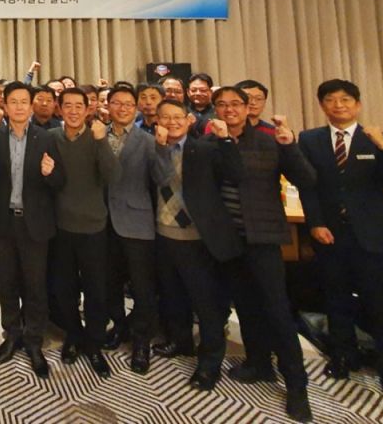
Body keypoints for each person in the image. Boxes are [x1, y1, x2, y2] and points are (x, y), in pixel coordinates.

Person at [298, 79, 383, 414]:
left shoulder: (380, 139)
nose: (339, 105)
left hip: (372, 236)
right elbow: (308, 187)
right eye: (331, 100)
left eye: (346, 99)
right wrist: (315, 223)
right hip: (330, 235)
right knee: (336, 299)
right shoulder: (310, 139)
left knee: (382, 306)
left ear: (358, 104)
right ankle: (342, 355)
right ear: (322, 105)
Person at [211, 86, 315, 421]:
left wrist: (291, 146)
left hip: (263, 237)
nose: (229, 109)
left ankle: (297, 385)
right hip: (229, 239)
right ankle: (258, 363)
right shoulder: (212, 141)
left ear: (247, 108)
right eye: (222, 104)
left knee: (277, 309)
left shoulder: (271, 140)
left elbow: (306, 179)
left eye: (235, 104)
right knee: (245, 305)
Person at [153, 100, 244, 391]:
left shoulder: (204, 148)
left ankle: (209, 363)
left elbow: (235, 173)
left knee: (206, 304)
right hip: (162, 234)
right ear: (157, 121)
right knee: (173, 295)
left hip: (197, 237)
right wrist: (160, 148)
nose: (172, 122)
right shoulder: (153, 149)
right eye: (165, 117)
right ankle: (181, 342)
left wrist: (226, 139)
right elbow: (154, 180)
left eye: (177, 117)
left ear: (189, 119)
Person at [0, 81, 65, 379]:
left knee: (35, 284)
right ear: (4, 105)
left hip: (35, 222)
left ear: (31, 106)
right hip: (3, 221)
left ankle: (33, 340)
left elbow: (60, 182)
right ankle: (12, 333)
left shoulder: (47, 138)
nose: (18, 107)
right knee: (7, 282)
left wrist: (50, 174)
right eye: (12, 101)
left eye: (23, 102)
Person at [49, 87, 118, 377]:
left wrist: (101, 142)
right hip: (61, 226)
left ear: (88, 109)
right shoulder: (51, 137)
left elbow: (112, 175)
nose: (73, 111)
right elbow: (49, 182)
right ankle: (73, 335)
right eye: (68, 105)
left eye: (79, 105)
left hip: (93, 226)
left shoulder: (98, 136)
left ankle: (94, 343)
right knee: (64, 288)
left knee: (95, 289)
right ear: (59, 109)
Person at [103, 85, 171, 374]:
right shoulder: (97, 136)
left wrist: (163, 148)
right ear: (108, 106)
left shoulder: (148, 140)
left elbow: (163, 178)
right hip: (102, 222)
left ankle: (141, 340)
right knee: (109, 282)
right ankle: (119, 326)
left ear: (136, 108)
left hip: (137, 222)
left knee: (143, 287)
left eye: (128, 104)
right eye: (116, 103)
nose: (122, 108)